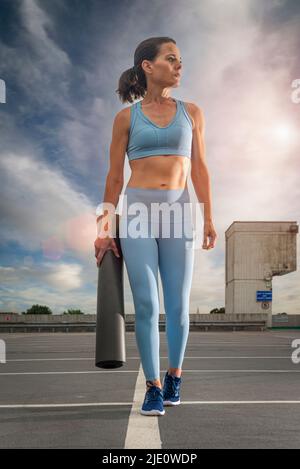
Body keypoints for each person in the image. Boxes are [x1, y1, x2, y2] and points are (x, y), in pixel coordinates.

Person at [94, 36, 217, 416]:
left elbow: (199, 168)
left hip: (179, 212)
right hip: (136, 213)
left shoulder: (192, 112)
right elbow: (114, 177)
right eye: (171, 59)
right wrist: (103, 228)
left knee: (178, 306)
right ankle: (153, 385)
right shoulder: (125, 118)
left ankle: (175, 377)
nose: (179, 66)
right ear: (148, 66)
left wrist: (209, 216)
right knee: (147, 304)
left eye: (180, 60)